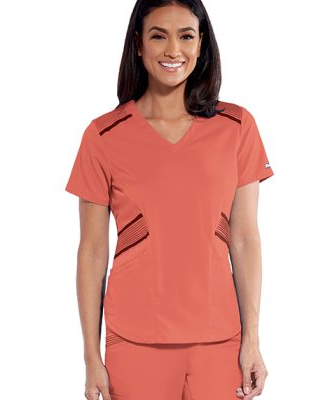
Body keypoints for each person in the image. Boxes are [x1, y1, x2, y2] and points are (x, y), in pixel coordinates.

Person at [65, 1, 274, 399]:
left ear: (201, 45)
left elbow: (246, 238)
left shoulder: (237, 126)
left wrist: (253, 340)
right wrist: (91, 355)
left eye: (186, 36)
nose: (173, 50)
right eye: (158, 36)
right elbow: (92, 251)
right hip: (134, 341)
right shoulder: (103, 136)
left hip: (220, 339)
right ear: (138, 44)